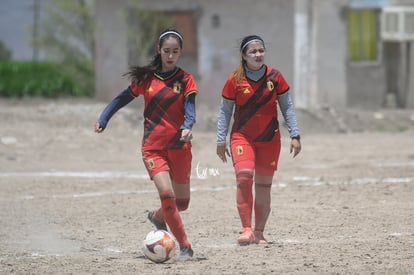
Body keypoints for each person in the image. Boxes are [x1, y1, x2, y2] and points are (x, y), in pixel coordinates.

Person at [95, 29, 197, 259]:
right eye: (167, 51)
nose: (170, 56)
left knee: (182, 203)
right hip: (153, 148)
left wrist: (188, 126)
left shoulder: (186, 79)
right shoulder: (147, 80)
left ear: (180, 52)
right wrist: (104, 118)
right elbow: (121, 98)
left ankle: (158, 217)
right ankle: (185, 246)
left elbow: (190, 110)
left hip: (180, 147)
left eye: (175, 52)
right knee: (168, 195)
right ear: (158, 50)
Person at [216, 35, 301, 245]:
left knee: (264, 186)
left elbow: (287, 107)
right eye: (253, 51)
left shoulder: (275, 77)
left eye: (261, 50)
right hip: (242, 137)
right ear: (244, 55)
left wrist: (295, 134)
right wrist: (220, 141)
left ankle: (259, 232)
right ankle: (246, 229)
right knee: (244, 178)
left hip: (269, 139)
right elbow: (225, 112)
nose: (258, 55)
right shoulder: (234, 80)